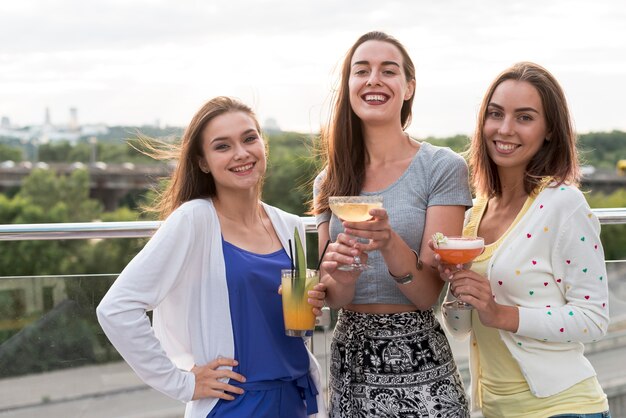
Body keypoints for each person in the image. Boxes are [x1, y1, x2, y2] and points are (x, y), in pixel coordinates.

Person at [97, 96, 328, 418]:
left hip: (296, 398)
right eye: (222, 146)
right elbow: (116, 308)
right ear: (203, 162)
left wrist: (312, 303)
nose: (241, 153)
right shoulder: (194, 220)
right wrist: (182, 384)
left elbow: (289, 324)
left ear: (264, 144)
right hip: (235, 403)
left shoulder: (288, 225)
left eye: (249, 138)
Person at [436, 62, 611, 417]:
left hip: (563, 408)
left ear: (549, 130)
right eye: (495, 114)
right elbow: (462, 329)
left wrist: (499, 312)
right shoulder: (474, 214)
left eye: (525, 117)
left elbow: (594, 319)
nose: (505, 129)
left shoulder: (564, 205)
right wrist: (456, 288)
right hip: (492, 409)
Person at [312, 31, 473, 417]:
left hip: (420, 360)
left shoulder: (442, 167)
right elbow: (332, 296)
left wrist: (388, 241)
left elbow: (428, 294)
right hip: (350, 362)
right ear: (348, 86)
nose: (373, 80)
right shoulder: (328, 180)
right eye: (361, 71)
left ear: (408, 87)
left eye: (388, 71)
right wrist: (341, 275)